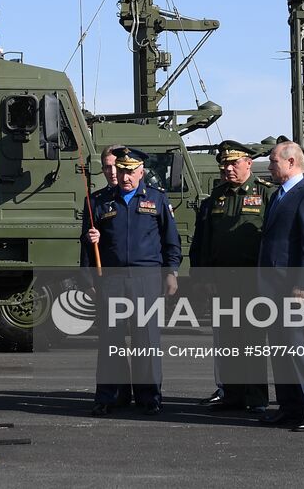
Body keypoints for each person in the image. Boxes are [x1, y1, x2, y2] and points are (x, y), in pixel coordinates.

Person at [82, 146, 181, 416]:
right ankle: (111, 395)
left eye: (131, 171)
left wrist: (171, 272)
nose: (125, 176)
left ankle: (149, 396)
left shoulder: (158, 200)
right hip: (111, 279)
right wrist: (88, 276)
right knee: (111, 339)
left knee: (145, 339)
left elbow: (171, 241)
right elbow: (86, 246)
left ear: (141, 172)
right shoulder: (98, 202)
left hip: (145, 278)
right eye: (122, 170)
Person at [189, 139, 273, 413]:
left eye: (233, 163)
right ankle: (233, 394)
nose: (227, 168)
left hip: (252, 280)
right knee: (227, 340)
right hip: (222, 281)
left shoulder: (266, 194)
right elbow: (202, 241)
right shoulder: (216, 197)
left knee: (253, 341)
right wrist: (202, 277)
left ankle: (257, 398)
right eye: (224, 163)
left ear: (249, 163)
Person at [256, 140, 304, 431]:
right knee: (280, 349)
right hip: (272, 287)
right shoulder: (278, 196)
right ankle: (289, 407)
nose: (271, 166)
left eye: (274, 161)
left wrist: (302, 284)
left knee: (297, 348)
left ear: (291, 162)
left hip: (291, 288)